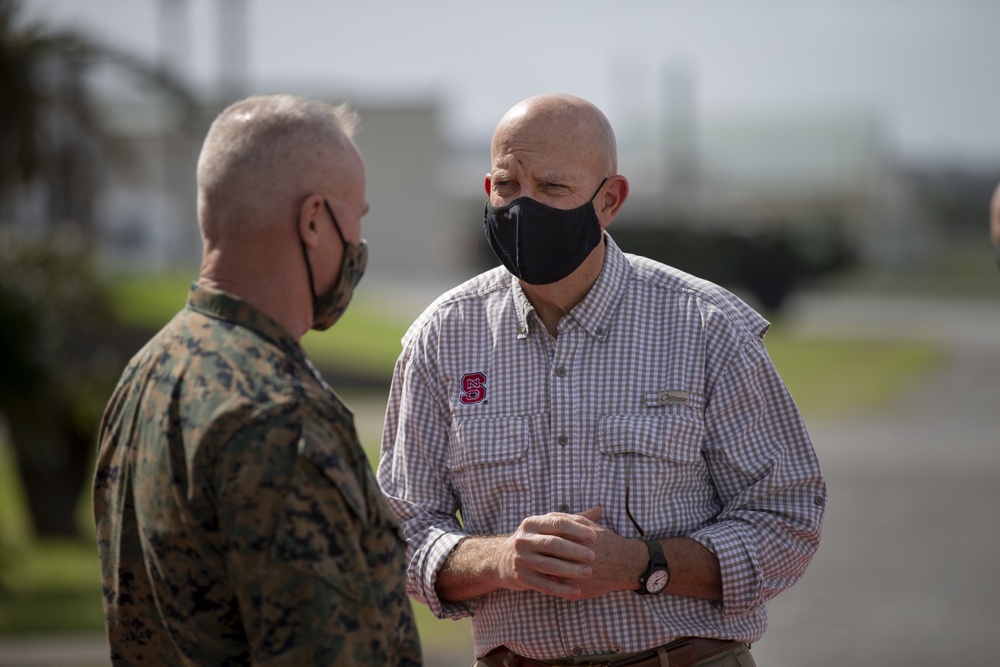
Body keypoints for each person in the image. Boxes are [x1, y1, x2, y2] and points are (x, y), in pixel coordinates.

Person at [377, 93, 826, 667]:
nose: (522, 207)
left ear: (609, 199)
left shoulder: (707, 327)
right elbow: (399, 533)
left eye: (553, 188)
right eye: (507, 186)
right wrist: (500, 560)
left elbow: (787, 518)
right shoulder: (441, 338)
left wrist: (644, 565)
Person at [93, 94, 421, 666]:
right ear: (314, 220)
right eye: (355, 220)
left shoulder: (148, 371)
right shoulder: (282, 416)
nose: (358, 249)